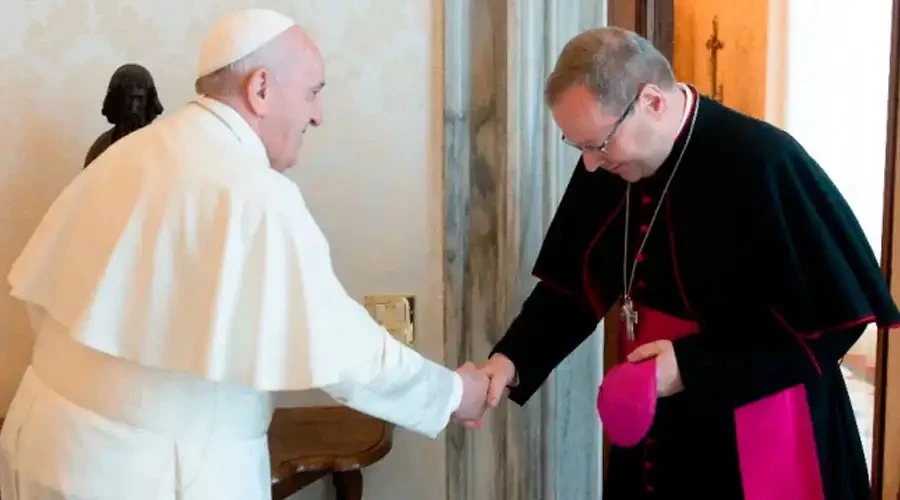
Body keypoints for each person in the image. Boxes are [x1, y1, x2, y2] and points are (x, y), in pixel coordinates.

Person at [0, 9, 487, 500]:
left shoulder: (128, 152)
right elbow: (344, 352)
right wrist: (454, 395)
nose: (317, 115)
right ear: (261, 89)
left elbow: (51, 304)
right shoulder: (255, 193)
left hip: (44, 442)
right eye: (312, 93)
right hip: (155, 473)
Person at [460, 27, 900, 499]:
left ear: (652, 101)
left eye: (597, 144)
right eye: (578, 145)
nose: (588, 164)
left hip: (757, 420)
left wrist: (692, 366)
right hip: (655, 415)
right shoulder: (612, 161)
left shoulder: (764, 160)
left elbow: (830, 327)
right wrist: (509, 362)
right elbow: (572, 288)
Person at [84, 63, 165, 167]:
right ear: (117, 101)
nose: (134, 108)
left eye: (139, 99)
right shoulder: (101, 148)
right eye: (128, 99)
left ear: (148, 100)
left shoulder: (163, 144)